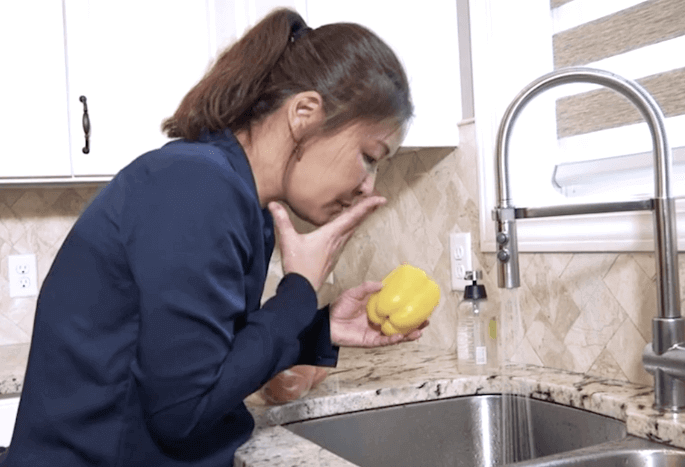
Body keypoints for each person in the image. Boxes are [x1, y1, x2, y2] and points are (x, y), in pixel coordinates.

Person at [1, 8, 418, 467]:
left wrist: (318, 328)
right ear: (304, 112)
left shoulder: (231, 194)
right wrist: (298, 291)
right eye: (369, 156)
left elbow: (206, 362)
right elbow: (182, 412)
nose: (368, 187)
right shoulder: (198, 189)